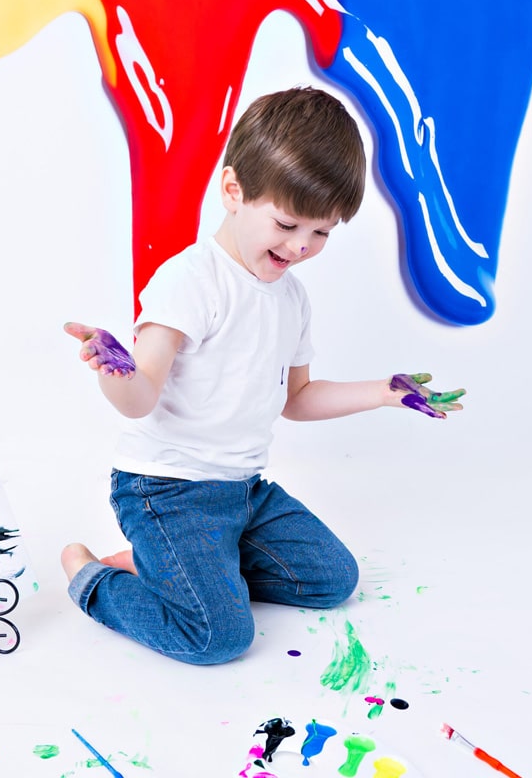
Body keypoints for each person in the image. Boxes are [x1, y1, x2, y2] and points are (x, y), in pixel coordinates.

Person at [62, 86, 465, 665]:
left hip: (242, 492)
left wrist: (384, 394)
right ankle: (94, 578)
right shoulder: (190, 281)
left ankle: (181, 563)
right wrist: (115, 369)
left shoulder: (291, 298)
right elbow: (140, 397)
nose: (301, 247)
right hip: (166, 492)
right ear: (233, 190)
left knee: (333, 579)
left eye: (322, 233)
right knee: (217, 638)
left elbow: (296, 398)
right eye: (288, 223)